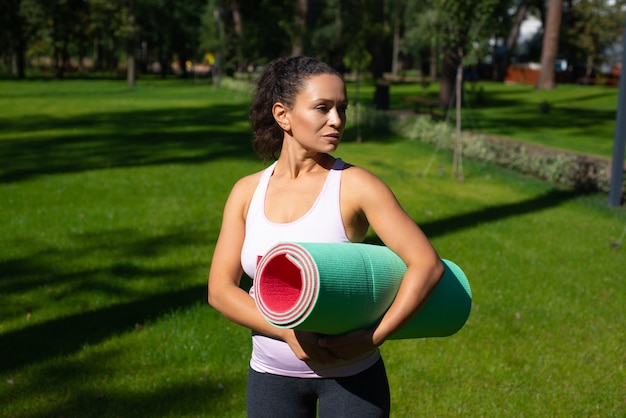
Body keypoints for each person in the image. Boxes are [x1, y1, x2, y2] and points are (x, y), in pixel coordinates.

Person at [207, 56, 444, 417]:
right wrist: (287, 332)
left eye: (342, 109)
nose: (337, 120)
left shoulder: (356, 186)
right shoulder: (246, 192)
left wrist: (371, 338)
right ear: (282, 114)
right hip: (271, 378)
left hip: (352, 380)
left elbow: (427, 265)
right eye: (323, 108)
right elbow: (220, 290)